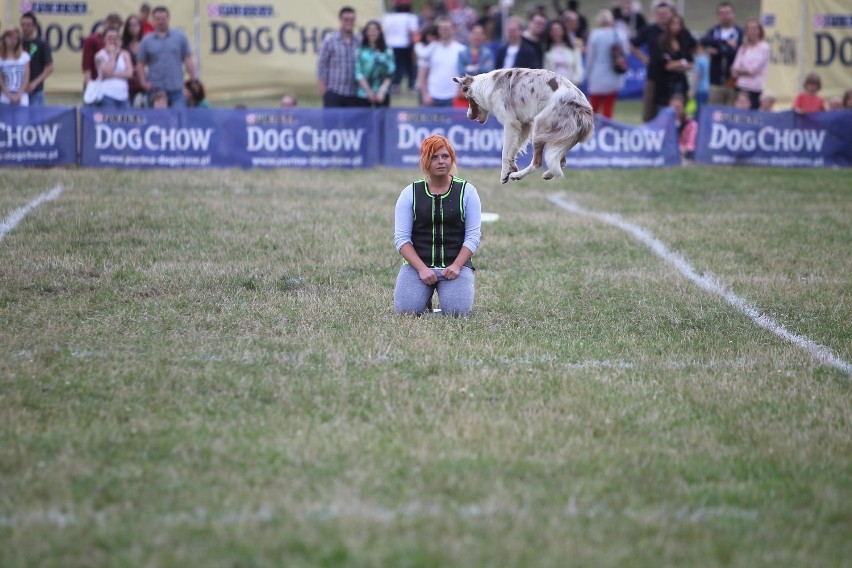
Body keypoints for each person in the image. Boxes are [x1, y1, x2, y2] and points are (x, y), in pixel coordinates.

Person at [393, 134, 482, 316]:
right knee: (406, 312)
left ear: (452, 159)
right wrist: (422, 269)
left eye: (445, 156)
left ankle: (445, 299)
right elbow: (401, 239)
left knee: (458, 313)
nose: (441, 161)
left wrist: (457, 266)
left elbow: (473, 236)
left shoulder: (468, 192)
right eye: (434, 157)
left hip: (455, 267)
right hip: (418, 267)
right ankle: (422, 299)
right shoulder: (409, 193)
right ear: (425, 161)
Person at [136, 6, 198, 108]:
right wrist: (143, 83)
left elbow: (188, 59)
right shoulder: (146, 40)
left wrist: (193, 80)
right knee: (157, 122)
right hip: (155, 90)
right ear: (153, 20)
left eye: (163, 18)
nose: (161, 21)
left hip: (176, 89)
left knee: (179, 122)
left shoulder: (180, 37)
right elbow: (140, 64)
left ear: (169, 18)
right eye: (158, 19)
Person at [631, 2, 673, 122]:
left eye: (666, 13)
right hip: (653, 76)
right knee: (649, 111)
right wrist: (643, 58)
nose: (663, 16)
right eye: (660, 14)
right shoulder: (650, 30)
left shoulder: (676, 29)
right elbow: (633, 44)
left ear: (671, 14)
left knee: (668, 110)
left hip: (672, 77)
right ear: (655, 15)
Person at [585, 9, 629, 118]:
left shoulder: (595, 35)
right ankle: (606, 131)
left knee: (593, 107)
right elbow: (626, 52)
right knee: (608, 108)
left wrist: (587, 73)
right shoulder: (619, 33)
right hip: (613, 74)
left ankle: (590, 132)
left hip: (597, 74)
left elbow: (590, 57)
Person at [317, 6, 361, 108]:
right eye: (346, 19)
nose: (349, 22)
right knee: (331, 124)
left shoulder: (359, 42)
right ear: (340, 20)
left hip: (353, 93)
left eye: (352, 19)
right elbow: (321, 64)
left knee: (352, 124)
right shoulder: (330, 40)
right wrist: (324, 90)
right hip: (334, 91)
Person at [700, 2, 742, 107]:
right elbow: (703, 41)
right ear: (718, 16)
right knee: (715, 111)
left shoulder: (739, 32)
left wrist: (719, 52)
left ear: (733, 14)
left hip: (734, 82)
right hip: (716, 82)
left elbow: (738, 52)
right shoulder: (714, 31)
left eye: (728, 13)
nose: (725, 16)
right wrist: (725, 42)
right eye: (722, 14)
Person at [418, 17, 466, 107]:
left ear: (453, 29)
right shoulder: (430, 49)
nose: (445, 31)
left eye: (447, 28)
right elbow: (422, 74)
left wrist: (461, 92)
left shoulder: (462, 50)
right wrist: (425, 94)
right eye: (442, 28)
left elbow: (467, 75)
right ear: (438, 30)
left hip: (453, 97)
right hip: (432, 97)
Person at [655, 13, 693, 113]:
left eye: (678, 24)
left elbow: (690, 65)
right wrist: (681, 62)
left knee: (680, 110)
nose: (676, 27)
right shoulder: (662, 42)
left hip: (681, 83)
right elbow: (666, 66)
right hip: (665, 85)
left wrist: (676, 64)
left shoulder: (684, 42)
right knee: (664, 111)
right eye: (673, 24)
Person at [730, 18, 769, 110]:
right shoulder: (743, 47)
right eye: (749, 29)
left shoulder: (763, 47)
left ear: (759, 31)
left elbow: (753, 70)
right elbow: (734, 69)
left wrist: (739, 70)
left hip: (754, 88)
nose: (751, 32)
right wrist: (739, 70)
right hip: (740, 86)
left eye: (754, 29)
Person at [355, 20, 395, 108]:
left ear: (380, 32)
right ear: (365, 32)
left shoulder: (387, 51)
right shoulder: (360, 51)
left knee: (381, 120)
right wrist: (368, 91)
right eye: (369, 30)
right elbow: (358, 73)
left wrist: (382, 91)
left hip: (383, 94)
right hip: (363, 94)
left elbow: (391, 72)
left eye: (375, 30)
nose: (372, 33)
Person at [383, 0, 419, 94]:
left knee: (394, 66)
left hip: (390, 45)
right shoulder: (410, 17)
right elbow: (413, 32)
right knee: (408, 66)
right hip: (405, 44)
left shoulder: (388, 17)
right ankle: (411, 85)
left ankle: (395, 84)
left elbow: (385, 31)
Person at [454, 24, 494, 108]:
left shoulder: (488, 53)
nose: (477, 37)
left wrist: (472, 68)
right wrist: (480, 68)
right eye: (475, 34)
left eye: (480, 34)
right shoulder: (462, 54)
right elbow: (461, 72)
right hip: (464, 95)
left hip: (481, 97)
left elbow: (489, 71)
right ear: (470, 35)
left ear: (483, 37)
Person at [93, 27, 133, 109]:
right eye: (109, 38)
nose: (112, 41)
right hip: (107, 94)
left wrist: (113, 75)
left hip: (123, 95)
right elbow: (106, 72)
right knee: (111, 120)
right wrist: (112, 55)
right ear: (104, 39)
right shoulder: (99, 55)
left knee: (126, 120)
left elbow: (129, 73)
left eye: (115, 38)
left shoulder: (125, 54)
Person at [20, 12, 53, 107]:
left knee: (37, 121)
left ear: (35, 26)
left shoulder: (42, 44)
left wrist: (34, 83)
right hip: (19, 92)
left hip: (36, 91)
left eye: (28, 25)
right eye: (23, 25)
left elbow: (49, 68)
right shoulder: (17, 44)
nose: (25, 28)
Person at [82, 13, 123, 86]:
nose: (113, 30)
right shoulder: (92, 40)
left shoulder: (118, 42)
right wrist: (89, 84)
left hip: (113, 83)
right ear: (105, 24)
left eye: (116, 29)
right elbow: (86, 63)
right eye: (111, 27)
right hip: (95, 81)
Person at [543, 19, 583, 85]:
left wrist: (575, 81)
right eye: (553, 30)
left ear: (563, 30)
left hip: (572, 84)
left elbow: (578, 66)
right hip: (554, 86)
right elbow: (546, 70)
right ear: (550, 33)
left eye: (558, 29)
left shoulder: (573, 48)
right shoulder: (547, 50)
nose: (556, 32)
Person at [0, 28, 30, 107]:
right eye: (10, 38)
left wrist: (19, 95)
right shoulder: (1, 58)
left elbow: (26, 78)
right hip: (5, 96)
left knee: (23, 118)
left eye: (16, 39)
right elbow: (1, 81)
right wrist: (10, 96)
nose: (13, 41)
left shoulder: (24, 56)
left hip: (22, 96)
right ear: (4, 39)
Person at [121, 14, 145, 106]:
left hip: (145, 84)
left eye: (135, 25)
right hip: (129, 86)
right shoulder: (123, 47)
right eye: (130, 25)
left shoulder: (146, 43)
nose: (133, 28)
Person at [669, 92, 696, 162]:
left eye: (678, 107)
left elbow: (691, 144)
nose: (675, 110)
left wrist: (682, 148)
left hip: (685, 154)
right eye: (673, 107)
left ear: (684, 107)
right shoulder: (664, 122)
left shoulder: (691, 124)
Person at [691, 44, 709, 118]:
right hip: (707, 88)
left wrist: (693, 90)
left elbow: (697, 75)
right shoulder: (707, 59)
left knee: (698, 111)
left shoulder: (698, 60)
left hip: (700, 89)